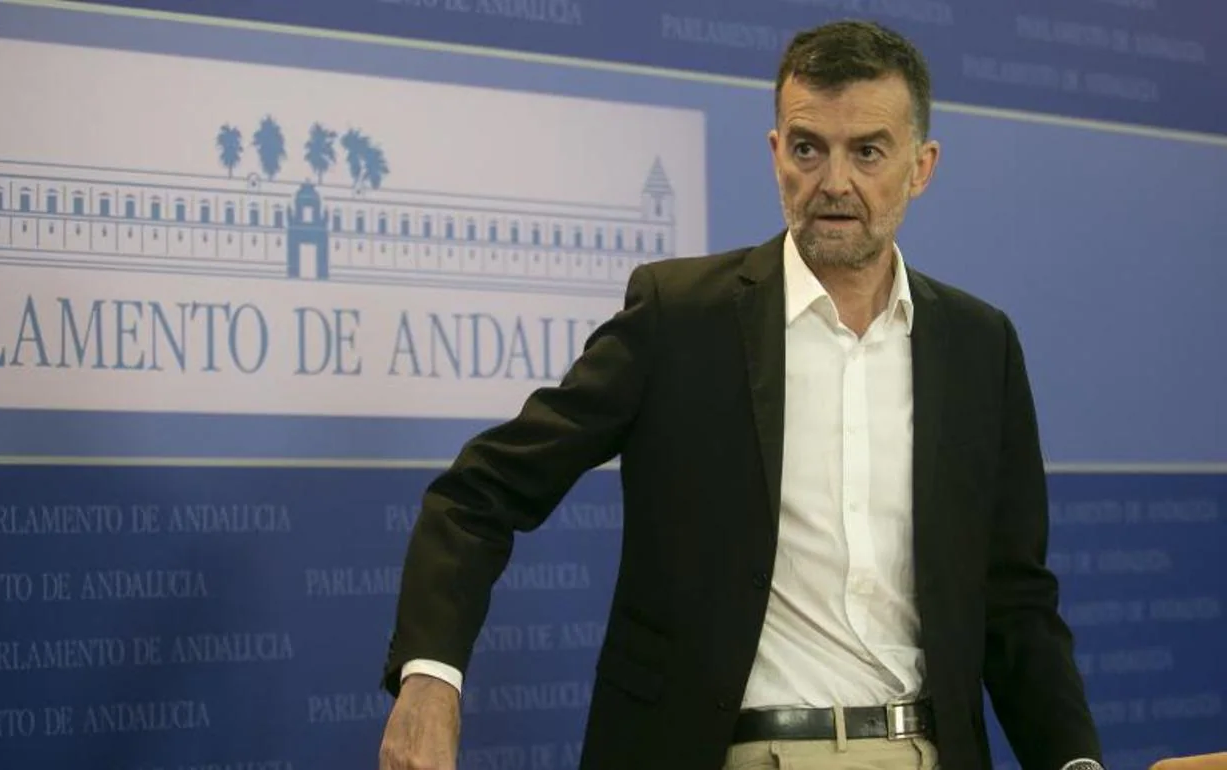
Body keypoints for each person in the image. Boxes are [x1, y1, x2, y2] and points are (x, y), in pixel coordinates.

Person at [376, 19, 1104, 770]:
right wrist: (430, 679)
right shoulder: (680, 318)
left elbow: (1015, 602)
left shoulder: (981, 347)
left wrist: (1075, 762)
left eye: (869, 152)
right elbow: (480, 493)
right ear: (775, 153)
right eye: (808, 147)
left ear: (922, 167)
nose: (834, 182)